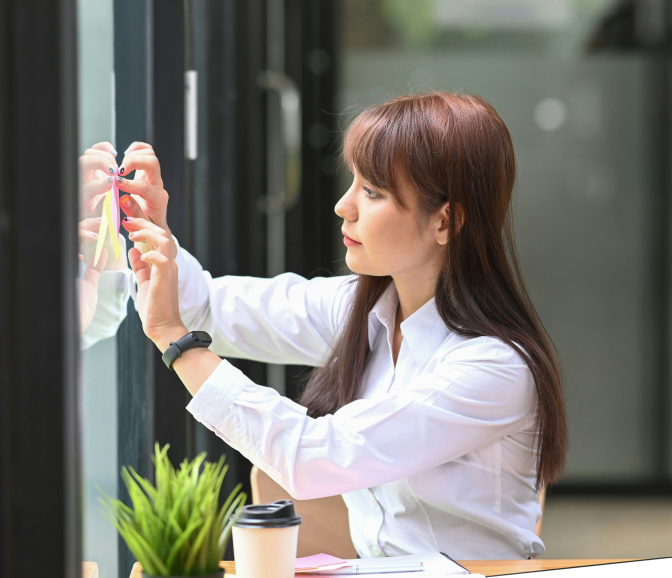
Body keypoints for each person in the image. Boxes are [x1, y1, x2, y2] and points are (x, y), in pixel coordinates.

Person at [118, 92, 567, 559]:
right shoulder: (365, 308)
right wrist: (149, 230)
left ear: (446, 221)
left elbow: (315, 457)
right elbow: (208, 304)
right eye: (353, 182)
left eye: (372, 192)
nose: (342, 205)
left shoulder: (493, 367)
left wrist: (177, 342)